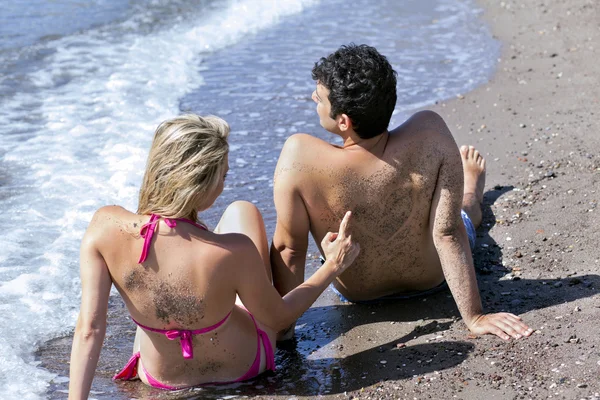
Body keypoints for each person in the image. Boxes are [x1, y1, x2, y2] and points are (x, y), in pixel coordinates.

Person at [68, 114, 360, 398]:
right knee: (243, 211)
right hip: (242, 367)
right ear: (201, 183)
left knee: (152, 305)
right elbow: (280, 318)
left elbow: (89, 330)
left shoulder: (105, 228)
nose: (224, 185)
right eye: (223, 176)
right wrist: (333, 265)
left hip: (161, 377)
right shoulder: (233, 251)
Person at [270, 44, 533, 341]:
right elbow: (447, 234)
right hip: (433, 279)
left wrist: (283, 328)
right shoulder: (430, 132)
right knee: (461, 215)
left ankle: (473, 189)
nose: (313, 99)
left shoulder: (301, 158)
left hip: (358, 293)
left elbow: (289, 250)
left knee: (460, 213)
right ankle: (472, 189)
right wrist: (474, 316)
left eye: (319, 98)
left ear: (343, 121)